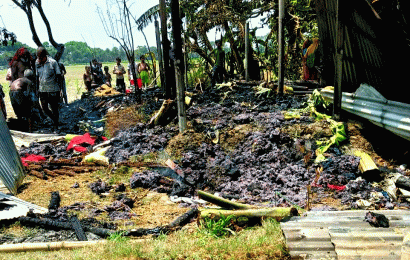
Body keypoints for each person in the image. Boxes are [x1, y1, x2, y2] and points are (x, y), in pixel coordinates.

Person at [36, 47, 62, 129]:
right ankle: (55, 120)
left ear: (45, 56)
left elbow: (59, 76)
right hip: (42, 89)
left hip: (53, 90)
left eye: (40, 57)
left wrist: (60, 89)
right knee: (45, 108)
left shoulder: (53, 62)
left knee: (54, 108)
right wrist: (37, 89)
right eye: (38, 57)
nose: (39, 59)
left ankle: (56, 125)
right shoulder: (37, 63)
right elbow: (37, 77)